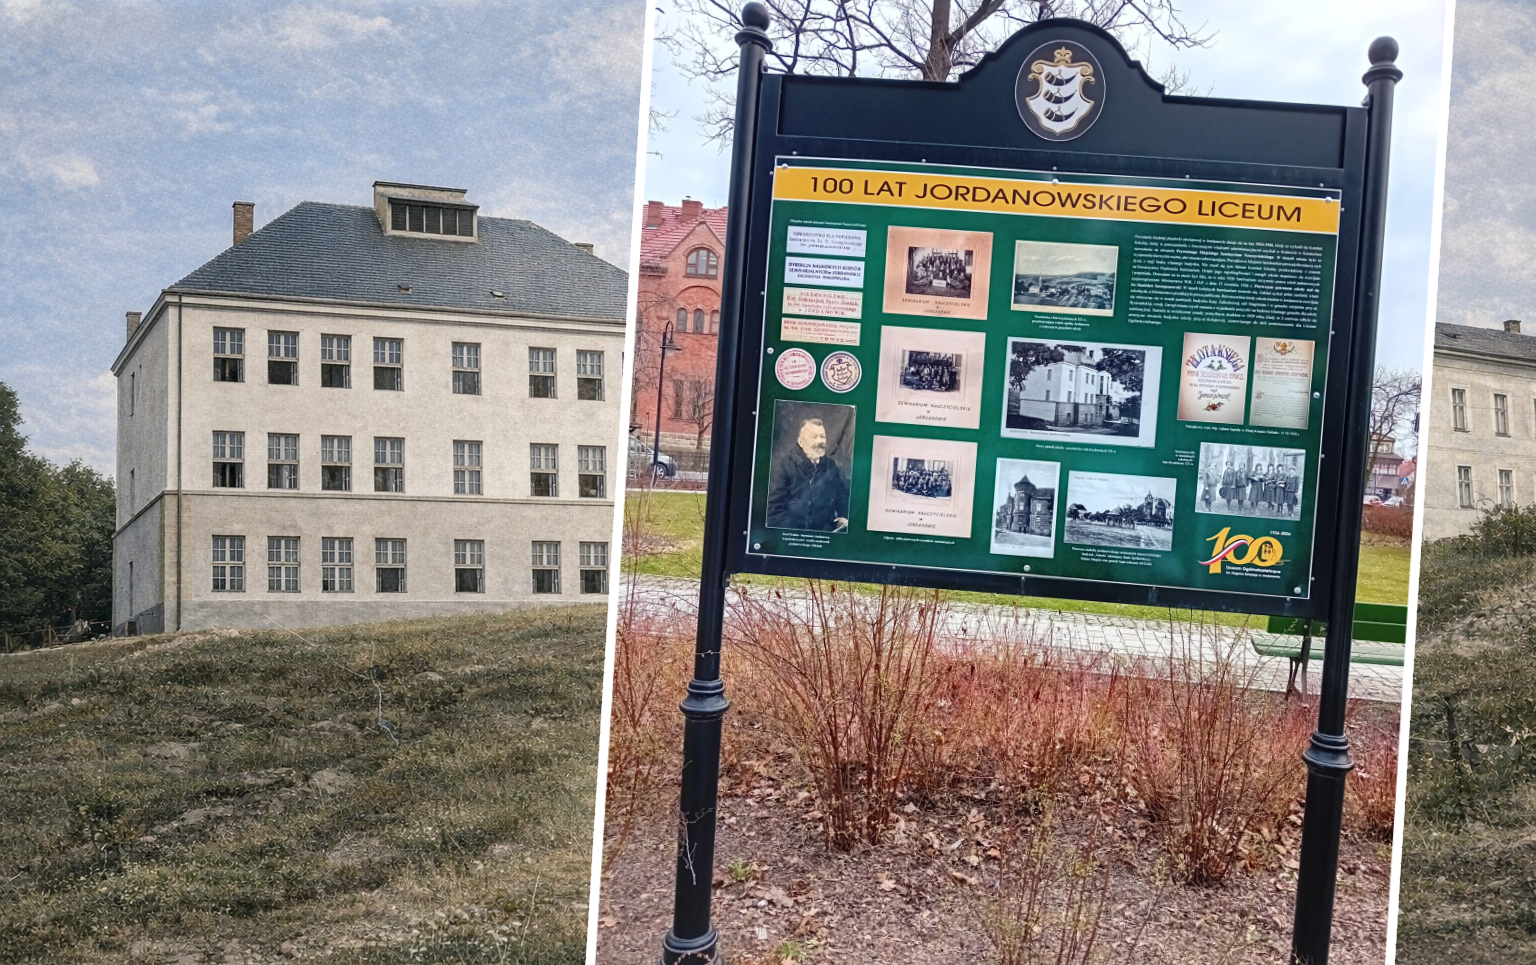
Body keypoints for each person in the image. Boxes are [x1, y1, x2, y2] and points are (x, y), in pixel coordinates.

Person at [766, 417, 850, 532]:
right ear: (801, 442)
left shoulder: (831, 466)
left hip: (826, 533)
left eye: (822, 436)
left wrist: (843, 516)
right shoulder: (784, 466)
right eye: (814, 437)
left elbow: (842, 494)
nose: (820, 441)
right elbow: (773, 510)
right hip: (794, 535)